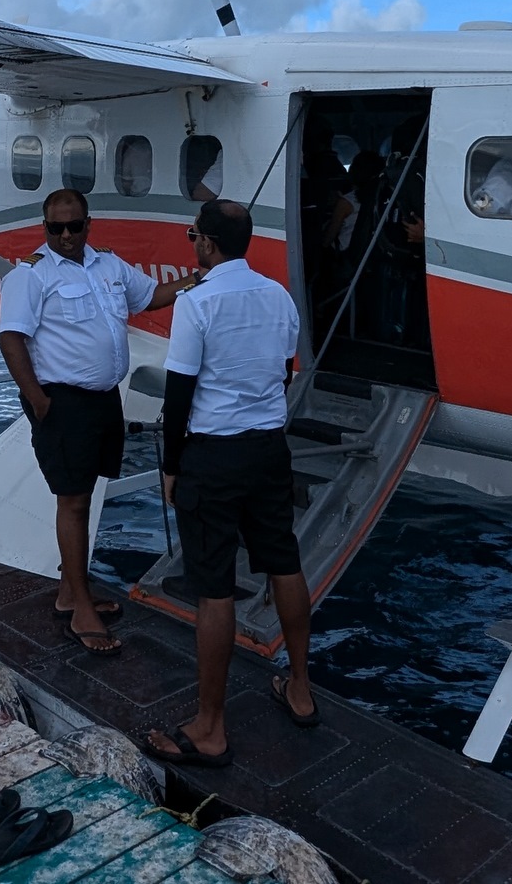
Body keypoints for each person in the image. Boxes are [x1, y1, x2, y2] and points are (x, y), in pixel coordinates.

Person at [144, 198, 312, 769]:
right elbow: (284, 373)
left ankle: (211, 727)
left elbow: (179, 393)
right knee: (284, 562)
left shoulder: (196, 302)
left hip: (213, 457)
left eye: (193, 235)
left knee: (213, 587)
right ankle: (301, 687)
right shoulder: (279, 297)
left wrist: (171, 465)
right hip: (268, 450)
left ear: (207, 245)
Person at [0, 188, 193, 655]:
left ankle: (70, 592)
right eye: (55, 228)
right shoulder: (31, 275)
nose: (65, 235)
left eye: (74, 226)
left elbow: (150, 297)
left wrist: (199, 278)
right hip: (63, 403)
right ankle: (81, 606)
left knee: (87, 495)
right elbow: (11, 339)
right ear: (45, 228)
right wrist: (41, 403)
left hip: (104, 399)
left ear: (89, 225)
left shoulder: (109, 265)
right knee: (75, 503)